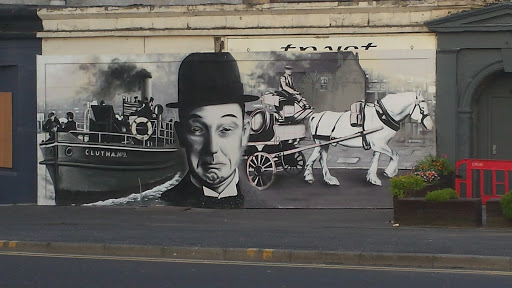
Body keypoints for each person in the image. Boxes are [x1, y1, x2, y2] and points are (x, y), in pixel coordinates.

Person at [160, 52, 267, 209]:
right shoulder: (164, 204)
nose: (212, 148)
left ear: (244, 133)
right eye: (197, 129)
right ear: (181, 134)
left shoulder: (264, 206)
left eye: (225, 129)